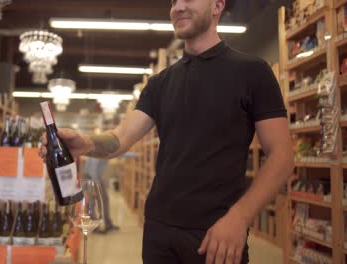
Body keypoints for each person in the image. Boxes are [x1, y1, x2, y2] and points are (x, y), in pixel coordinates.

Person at [40, 0, 294, 263]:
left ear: (217, 6)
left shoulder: (253, 72)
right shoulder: (160, 83)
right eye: (174, 1)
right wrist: (86, 142)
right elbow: (121, 137)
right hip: (158, 233)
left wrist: (240, 218)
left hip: (217, 235)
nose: (178, 7)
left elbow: (282, 156)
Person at [83, 157, 119, 233]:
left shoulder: (109, 151)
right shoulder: (100, 152)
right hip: (91, 177)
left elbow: (122, 154)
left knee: (105, 199)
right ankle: (94, 227)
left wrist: (137, 156)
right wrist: (94, 188)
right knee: (92, 202)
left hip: (97, 177)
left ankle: (108, 224)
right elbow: (93, 171)